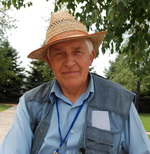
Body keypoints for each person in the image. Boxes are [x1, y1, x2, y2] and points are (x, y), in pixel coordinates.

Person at [0, 10, 150, 154]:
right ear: (49, 62)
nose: (69, 62)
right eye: (59, 54)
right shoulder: (30, 103)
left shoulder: (120, 101)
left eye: (77, 52)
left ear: (91, 57)